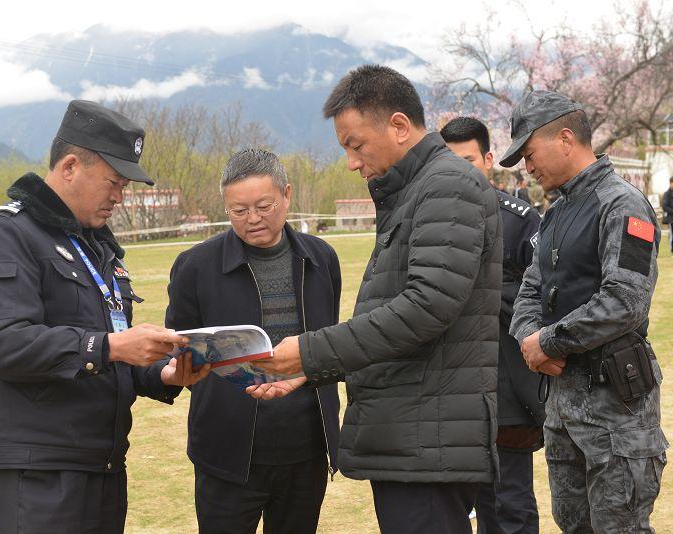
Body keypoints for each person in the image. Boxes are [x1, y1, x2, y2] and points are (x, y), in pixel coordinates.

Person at [248, 64, 503, 534]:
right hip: (412, 434)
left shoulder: (446, 185)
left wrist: (308, 350)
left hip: (429, 438)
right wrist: (312, 368)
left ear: (399, 126)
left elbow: (426, 307)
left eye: (355, 144)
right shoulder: (412, 191)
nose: (350, 162)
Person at [0, 100, 210, 533]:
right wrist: (111, 346)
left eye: (125, 186)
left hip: (103, 465)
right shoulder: (5, 237)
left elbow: (111, 357)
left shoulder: (96, 247)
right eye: (113, 182)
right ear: (70, 166)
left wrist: (162, 375)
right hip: (39, 474)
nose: (119, 196)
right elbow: (1, 343)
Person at [504, 90, 666, 533]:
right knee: (574, 526)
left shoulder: (621, 203)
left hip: (616, 411)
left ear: (565, 139)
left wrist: (548, 341)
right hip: (564, 409)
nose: (527, 167)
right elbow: (529, 290)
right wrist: (528, 338)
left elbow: (626, 300)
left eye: (529, 153)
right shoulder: (557, 212)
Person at [165, 148, 341, 534]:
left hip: (305, 448)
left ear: (287, 194)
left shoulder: (322, 259)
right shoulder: (195, 266)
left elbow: (332, 343)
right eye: (238, 210)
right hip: (227, 451)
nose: (253, 219)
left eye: (264, 205)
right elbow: (177, 348)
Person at [441, 116, 543, 534]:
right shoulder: (431, 218)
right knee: (459, 504)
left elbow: (543, 293)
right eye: (449, 163)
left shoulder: (519, 220)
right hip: (448, 387)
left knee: (511, 505)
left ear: (487, 159)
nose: (460, 172)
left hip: (506, 386)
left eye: (468, 161)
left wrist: (480, 290)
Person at [662, 176, 673, 253]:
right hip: (671, 218)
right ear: (670, 183)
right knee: (672, 235)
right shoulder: (666, 194)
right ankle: (671, 249)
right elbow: (664, 206)